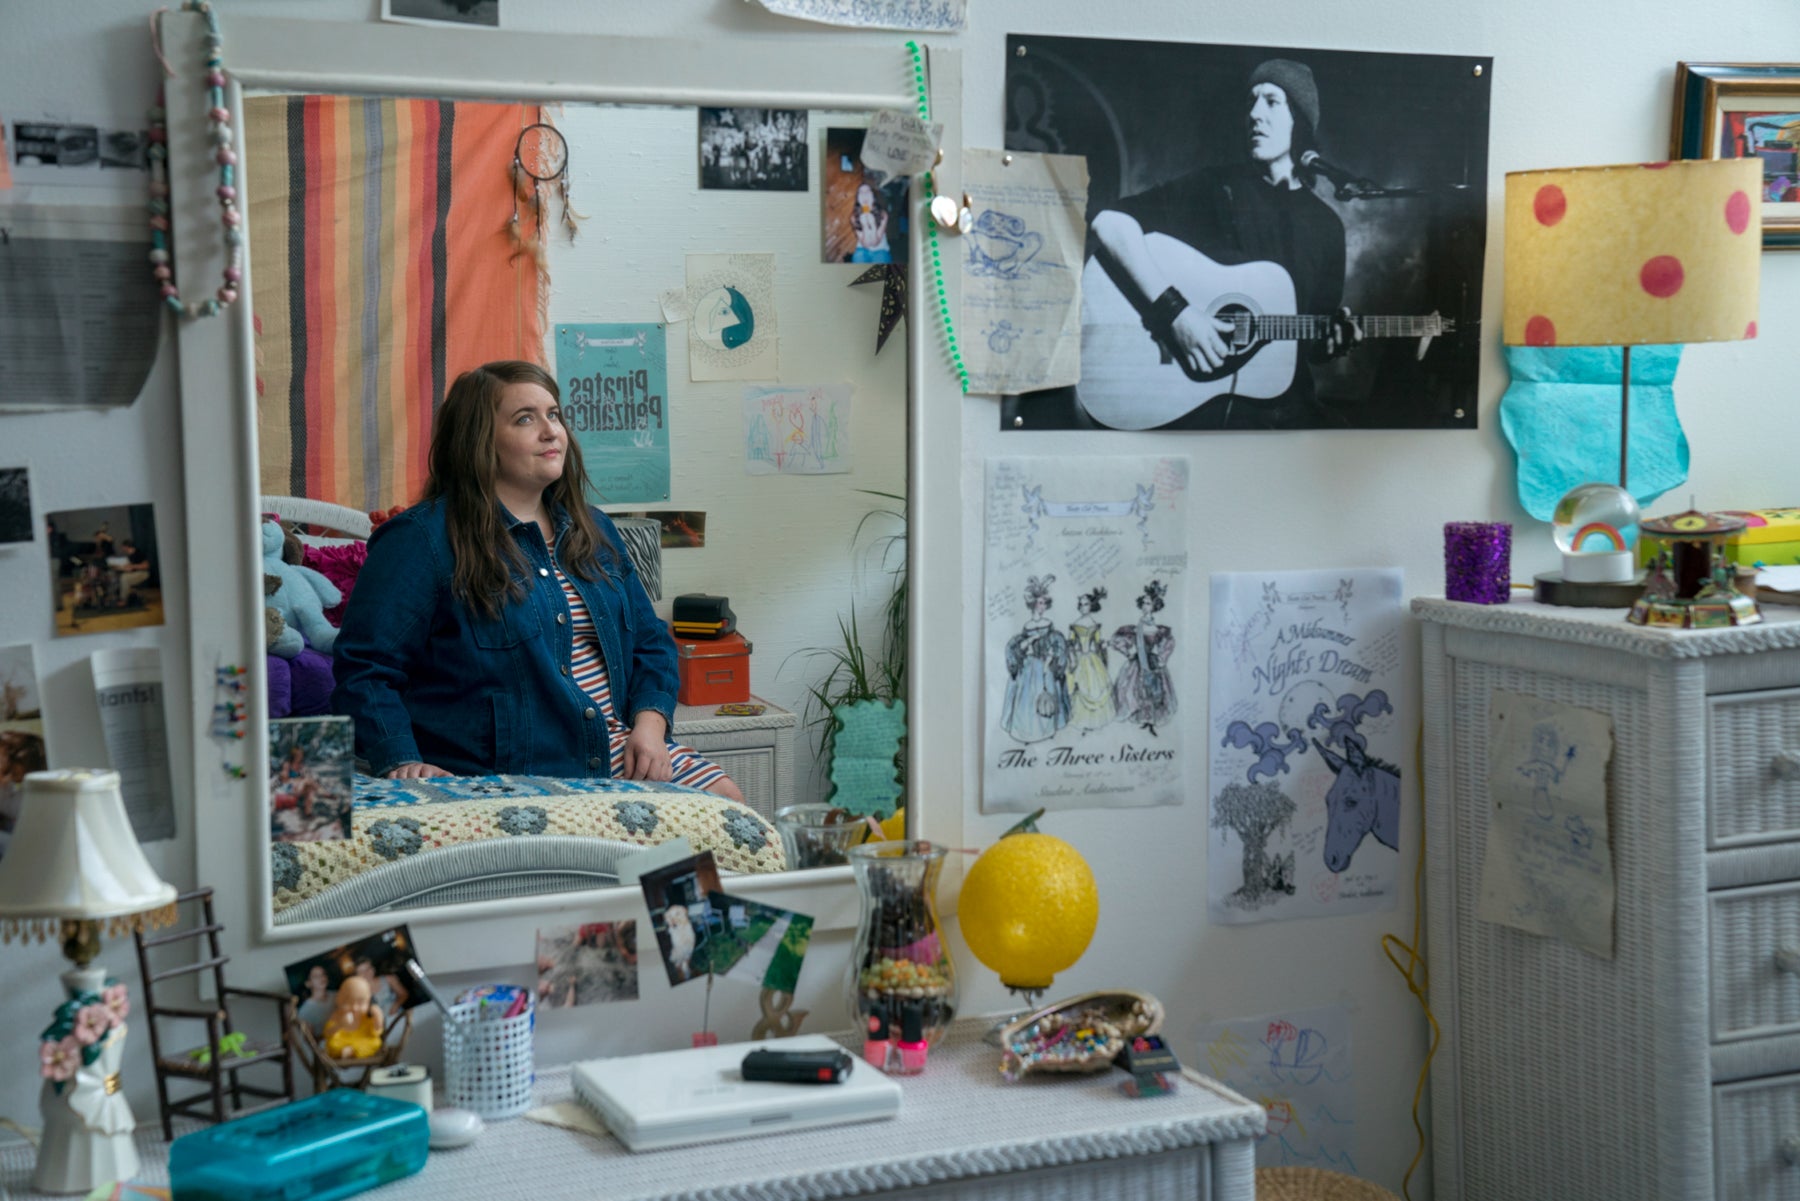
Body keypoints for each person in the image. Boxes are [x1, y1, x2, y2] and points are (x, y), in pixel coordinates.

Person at [332, 360, 744, 803]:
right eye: (525, 418)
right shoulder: (422, 540)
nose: (551, 431)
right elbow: (366, 668)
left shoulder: (597, 529)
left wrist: (651, 726)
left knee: (732, 810)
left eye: (554, 414)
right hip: (509, 774)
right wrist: (399, 759)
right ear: (478, 441)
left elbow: (650, 642)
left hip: (624, 752)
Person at [1088, 58, 1361, 428]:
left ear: (1300, 120)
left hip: (1285, 410)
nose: (1254, 114)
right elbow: (1109, 222)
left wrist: (1331, 342)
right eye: (1251, 101)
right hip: (1203, 408)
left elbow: (1308, 341)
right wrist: (1178, 313)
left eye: (1271, 101)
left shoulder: (1327, 226)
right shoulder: (1214, 188)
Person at [1000, 574, 1071, 744]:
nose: (1043, 606)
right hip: (1029, 666)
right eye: (1040, 603)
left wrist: (1049, 662)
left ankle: (1046, 731)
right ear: (1033, 604)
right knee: (1026, 698)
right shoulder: (1027, 626)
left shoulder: (1048, 623)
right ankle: (1026, 733)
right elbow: (1019, 648)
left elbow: (1056, 645)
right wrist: (1029, 641)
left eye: (1044, 603)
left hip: (1045, 665)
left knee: (1047, 695)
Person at [1110, 580, 1175, 736]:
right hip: (1137, 662)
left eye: (1149, 603)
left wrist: (1160, 658)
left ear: (1155, 606)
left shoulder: (1159, 629)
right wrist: (1128, 652)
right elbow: (1116, 640)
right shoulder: (1135, 628)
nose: (1145, 606)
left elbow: (1168, 644)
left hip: (1152, 663)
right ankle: (1141, 720)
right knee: (1133, 689)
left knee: (1154, 690)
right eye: (1144, 603)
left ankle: (1151, 721)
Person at [1066, 586, 1114, 733]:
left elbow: (1099, 645)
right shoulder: (1074, 625)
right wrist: (1072, 658)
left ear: (1091, 606)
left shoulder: (1095, 625)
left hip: (1092, 659)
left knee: (1094, 686)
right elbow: (1070, 645)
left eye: (1085, 604)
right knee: (1080, 688)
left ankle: (1094, 722)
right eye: (1080, 604)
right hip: (1079, 658)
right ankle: (1082, 721)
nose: (1082, 607)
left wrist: (1104, 650)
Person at [850, 181, 892, 264]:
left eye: (868, 191)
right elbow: (866, 245)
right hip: (862, 248)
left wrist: (872, 225)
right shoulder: (854, 217)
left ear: (873, 196)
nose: (864, 194)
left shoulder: (883, 215)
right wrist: (865, 226)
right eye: (861, 192)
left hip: (881, 249)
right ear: (858, 199)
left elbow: (875, 243)